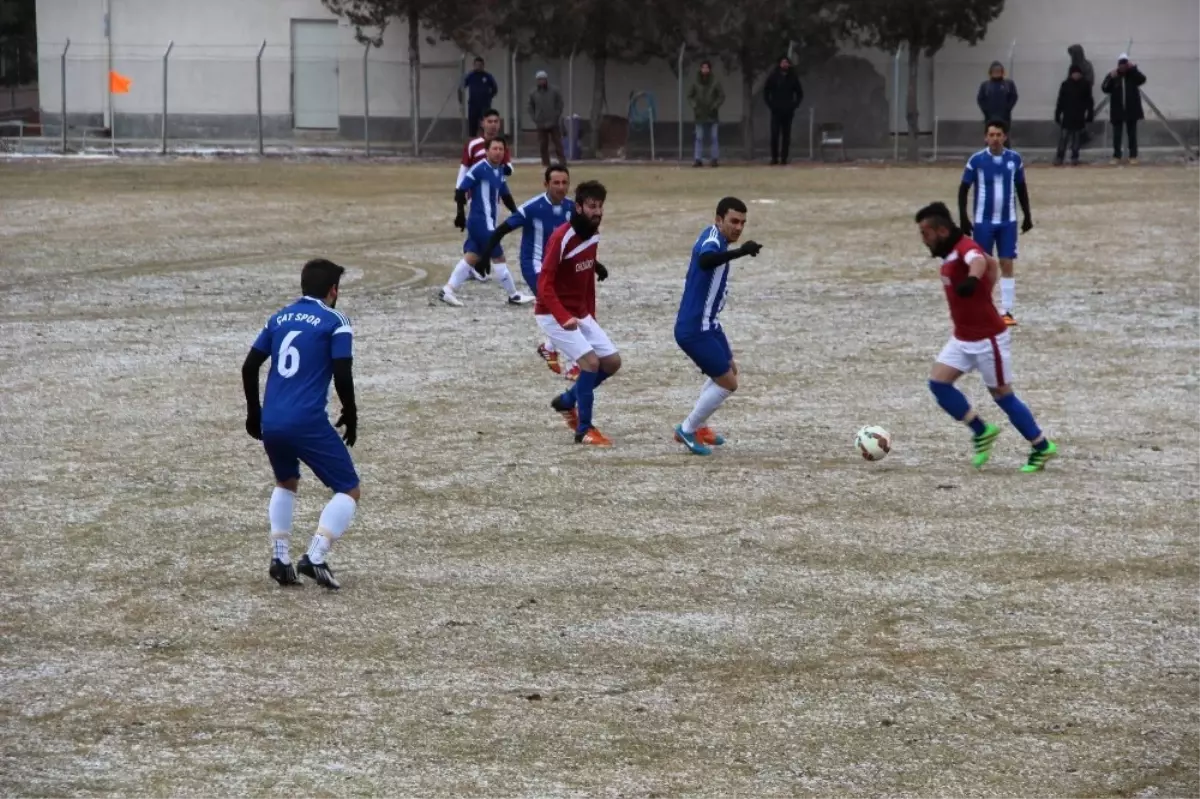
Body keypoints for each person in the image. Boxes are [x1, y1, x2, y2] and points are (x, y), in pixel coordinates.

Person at [241, 258, 360, 590]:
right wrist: (350, 412)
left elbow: (249, 367)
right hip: (306, 420)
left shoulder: (279, 318)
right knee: (349, 488)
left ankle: (281, 559)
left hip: (273, 420)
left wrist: (254, 413)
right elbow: (342, 371)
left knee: (286, 481)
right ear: (333, 290)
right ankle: (315, 556)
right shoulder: (336, 321)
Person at [914, 202, 1057, 473]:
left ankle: (1041, 446)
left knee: (1002, 395)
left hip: (988, 339)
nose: (923, 240)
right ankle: (981, 431)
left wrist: (972, 279)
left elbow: (979, 260)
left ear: (942, 231)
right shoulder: (949, 252)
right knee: (938, 384)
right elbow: (991, 263)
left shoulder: (964, 249)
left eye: (926, 233)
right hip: (963, 338)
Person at [672, 197, 762, 455]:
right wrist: (742, 251)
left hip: (710, 324)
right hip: (694, 329)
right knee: (728, 383)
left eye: (743, 223)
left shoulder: (716, 236)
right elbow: (706, 260)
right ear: (718, 220)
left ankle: (699, 426)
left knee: (729, 369)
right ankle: (687, 429)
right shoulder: (712, 240)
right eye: (733, 221)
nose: (738, 227)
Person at [537, 181, 620, 447]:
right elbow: (544, 285)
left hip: (579, 312)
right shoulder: (562, 237)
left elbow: (586, 282)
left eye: (600, 206)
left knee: (612, 362)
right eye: (592, 206)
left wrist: (589, 316)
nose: (597, 212)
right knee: (591, 364)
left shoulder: (594, 234)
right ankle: (584, 430)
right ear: (579, 207)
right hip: (552, 314)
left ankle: (567, 401)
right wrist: (563, 316)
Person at [477, 164, 580, 379]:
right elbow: (502, 229)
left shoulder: (572, 208)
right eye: (556, 183)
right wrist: (485, 255)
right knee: (558, 309)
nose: (561, 187)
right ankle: (573, 364)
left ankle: (549, 347)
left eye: (564, 183)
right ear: (546, 184)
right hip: (534, 266)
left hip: (558, 268)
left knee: (566, 308)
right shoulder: (532, 208)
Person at [439, 136, 533, 308]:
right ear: (487, 151)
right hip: (480, 222)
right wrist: (460, 214)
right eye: (494, 149)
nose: (498, 152)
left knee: (471, 257)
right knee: (499, 256)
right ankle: (514, 295)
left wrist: (517, 214)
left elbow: (505, 196)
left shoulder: (500, 171)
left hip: (488, 221)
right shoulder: (479, 168)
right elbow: (461, 190)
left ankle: (448, 291)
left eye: (501, 149)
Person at [957, 120, 1033, 326]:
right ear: (985, 137)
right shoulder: (977, 161)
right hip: (984, 222)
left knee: (1007, 263)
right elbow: (963, 189)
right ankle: (982, 308)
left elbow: (1021, 188)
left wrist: (1027, 215)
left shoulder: (1014, 160)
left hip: (1008, 222)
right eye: (991, 135)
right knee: (983, 265)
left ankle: (1006, 311)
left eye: (999, 135)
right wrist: (964, 217)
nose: (995, 139)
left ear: (1005, 137)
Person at [1101, 54, 1147, 164]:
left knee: (1132, 134)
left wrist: (1134, 69)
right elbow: (1105, 88)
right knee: (1117, 135)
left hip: (1131, 109)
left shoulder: (1132, 75)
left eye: (1125, 65)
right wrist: (1110, 77)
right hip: (1118, 110)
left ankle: (1133, 155)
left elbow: (1142, 79)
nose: (1123, 67)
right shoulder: (1114, 75)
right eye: (1121, 65)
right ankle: (1117, 155)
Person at [763, 55, 803, 165]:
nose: (785, 64)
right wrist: (771, 105)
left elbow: (799, 93)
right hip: (776, 111)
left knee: (786, 136)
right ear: (779, 64)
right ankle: (774, 158)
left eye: (786, 63)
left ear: (789, 64)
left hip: (788, 112)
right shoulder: (773, 76)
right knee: (774, 134)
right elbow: (766, 92)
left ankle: (784, 158)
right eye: (783, 62)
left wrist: (794, 105)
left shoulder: (793, 77)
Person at [1055, 65, 1094, 166]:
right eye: (1074, 73)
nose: (1076, 75)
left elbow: (1089, 101)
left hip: (1079, 116)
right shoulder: (1065, 85)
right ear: (1071, 74)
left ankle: (1075, 157)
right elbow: (1060, 101)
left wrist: (1090, 114)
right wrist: (1058, 113)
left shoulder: (1085, 85)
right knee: (1063, 138)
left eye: (1078, 73)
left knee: (1076, 139)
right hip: (1067, 116)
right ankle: (1060, 157)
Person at [688, 60, 724, 168]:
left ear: (709, 69)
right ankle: (698, 159)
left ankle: (714, 159)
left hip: (712, 114)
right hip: (700, 115)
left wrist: (715, 106)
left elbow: (721, 96)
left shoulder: (715, 82)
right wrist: (695, 106)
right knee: (699, 137)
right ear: (700, 69)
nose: (704, 69)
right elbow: (690, 96)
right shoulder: (695, 82)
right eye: (703, 67)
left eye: (706, 68)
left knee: (714, 137)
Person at [528, 70, 565, 167]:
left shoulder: (554, 91)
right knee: (543, 145)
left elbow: (560, 104)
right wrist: (535, 118)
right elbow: (530, 107)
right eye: (539, 80)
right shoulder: (533, 93)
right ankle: (545, 163)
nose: (541, 81)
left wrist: (556, 115)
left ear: (546, 79)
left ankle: (562, 162)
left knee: (558, 143)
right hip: (541, 123)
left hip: (553, 122)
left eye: (543, 79)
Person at [976, 61, 1018, 142]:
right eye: (995, 71)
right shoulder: (985, 85)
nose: (997, 73)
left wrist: (1007, 108)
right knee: (990, 139)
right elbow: (980, 99)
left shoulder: (1008, 84)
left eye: (999, 71)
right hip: (989, 117)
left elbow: (1014, 96)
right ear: (990, 72)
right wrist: (986, 110)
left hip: (1004, 117)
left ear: (1002, 72)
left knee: (1004, 139)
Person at [1067, 44, 1097, 147]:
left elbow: (1090, 81)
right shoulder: (1073, 66)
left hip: (1084, 98)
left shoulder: (1086, 65)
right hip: (1073, 99)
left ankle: (1082, 138)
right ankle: (1077, 139)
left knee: (1082, 120)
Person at [462, 57, 498, 139]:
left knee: (485, 125)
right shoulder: (470, 76)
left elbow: (495, 88)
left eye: (480, 65)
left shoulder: (488, 76)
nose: (478, 66)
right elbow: (462, 86)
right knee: (472, 125)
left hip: (484, 105)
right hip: (473, 104)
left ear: (483, 66)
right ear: (474, 65)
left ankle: (485, 143)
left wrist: (489, 97)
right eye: (476, 65)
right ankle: (472, 143)